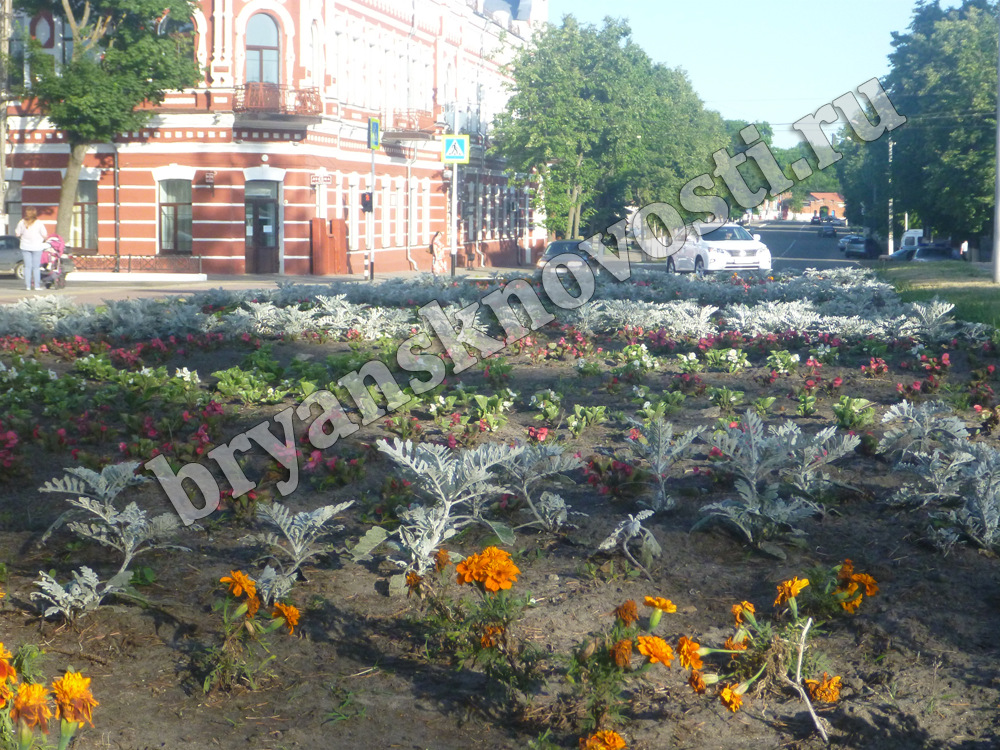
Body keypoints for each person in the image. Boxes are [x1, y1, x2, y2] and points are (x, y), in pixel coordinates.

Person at [15, 207, 49, 291]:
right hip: (37, 247)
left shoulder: (22, 222)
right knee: (36, 267)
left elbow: (17, 234)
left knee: (27, 267)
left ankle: (28, 286)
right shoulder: (39, 223)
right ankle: (36, 286)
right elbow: (45, 235)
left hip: (25, 246)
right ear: (35, 213)